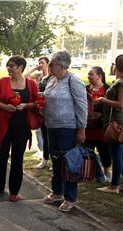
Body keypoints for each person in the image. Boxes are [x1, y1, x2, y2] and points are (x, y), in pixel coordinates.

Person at [0, 56, 39, 202]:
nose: (8, 68)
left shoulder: (31, 84)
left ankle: (14, 191)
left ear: (21, 67)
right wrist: (4, 106)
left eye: (12, 66)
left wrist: (26, 105)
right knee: (1, 157)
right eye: (7, 66)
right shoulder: (3, 82)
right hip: (4, 126)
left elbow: (37, 102)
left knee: (18, 159)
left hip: (22, 127)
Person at [42, 50, 87, 212]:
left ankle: (70, 197)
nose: (49, 67)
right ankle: (56, 191)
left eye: (52, 64)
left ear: (61, 65)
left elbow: (82, 106)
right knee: (56, 161)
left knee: (69, 163)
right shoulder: (52, 80)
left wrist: (82, 129)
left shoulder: (73, 80)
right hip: (51, 126)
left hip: (68, 128)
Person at [96, 54, 123, 194]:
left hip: (117, 124)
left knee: (117, 155)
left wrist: (103, 100)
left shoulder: (120, 83)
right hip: (118, 122)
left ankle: (114, 185)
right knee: (120, 154)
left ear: (117, 66)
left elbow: (120, 104)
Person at [85, 66, 111, 181]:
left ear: (99, 76)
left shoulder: (107, 89)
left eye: (91, 74)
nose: (88, 76)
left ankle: (106, 173)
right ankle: (89, 174)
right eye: (88, 74)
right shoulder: (85, 89)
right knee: (87, 151)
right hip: (87, 126)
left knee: (104, 150)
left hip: (101, 127)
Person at [25, 56, 51, 168]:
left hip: (51, 108)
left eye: (42, 63)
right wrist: (35, 67)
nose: (40, 64)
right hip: (40, 108)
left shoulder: (52, 77)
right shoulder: (39, 76)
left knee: (52, 137)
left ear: (48, 64)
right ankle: (45, 159)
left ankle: (54, 162)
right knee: (44, 135)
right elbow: (25, 76)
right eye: (39, 62)